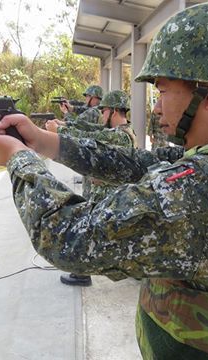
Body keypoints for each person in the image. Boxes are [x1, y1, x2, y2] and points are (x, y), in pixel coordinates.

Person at [0, 2, 208, 359]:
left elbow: (66, 236)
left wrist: (18, 160)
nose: (156, 108)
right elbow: (136, 162)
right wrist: (46, 141)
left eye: (163, 91)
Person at [46, 90, 136, 286]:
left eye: (103, 111)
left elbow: (92, 136)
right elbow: (92, 129)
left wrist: (60, 131)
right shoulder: (120, 132)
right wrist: (66, 123)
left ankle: (82, 274)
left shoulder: (121, 136)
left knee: (88, 232)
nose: (100, 115)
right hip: (106, 193)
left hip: (107, 194)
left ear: (113, 111)